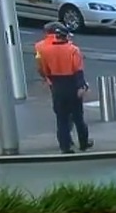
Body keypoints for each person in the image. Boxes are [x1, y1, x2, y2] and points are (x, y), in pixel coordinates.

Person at [34, 22, 91, 154]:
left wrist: (48, 79)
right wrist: (81, 86)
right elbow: (78, 70)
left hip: (56, 84)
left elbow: (42, 68)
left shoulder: (43, 49)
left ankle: (65, 146)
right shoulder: (73, 50)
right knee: (78, 117)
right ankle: (83, 143)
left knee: (61, 118)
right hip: (72, 83)